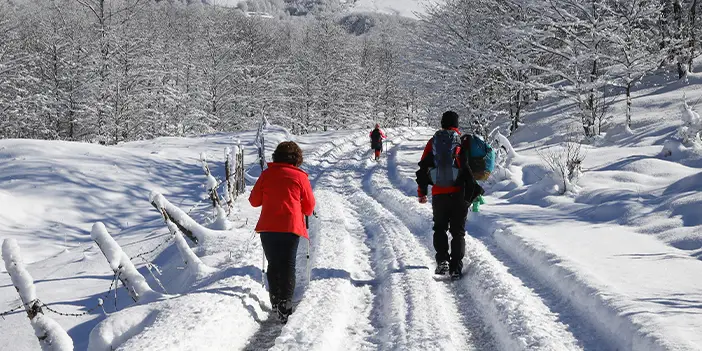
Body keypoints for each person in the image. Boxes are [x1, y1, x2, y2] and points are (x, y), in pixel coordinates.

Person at [249, 141, 315, 323]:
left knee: (273, 263)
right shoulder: (300, 177)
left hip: (268, 226)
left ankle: (275, 300)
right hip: (290, 226)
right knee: (288, 264)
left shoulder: (267, 174)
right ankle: (285, 303)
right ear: (297, 159)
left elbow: (254, 201)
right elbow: (309, 206)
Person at [415, 111, 483, 280]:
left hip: (439, 193)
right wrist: (474, 193)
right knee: (458, 232)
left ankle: (443, 261)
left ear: (442, 123)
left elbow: (423, 167)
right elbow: (472, 169)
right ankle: (456, 268)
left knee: (439, 228)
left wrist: (422, 192)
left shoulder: (434, 142)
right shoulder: (463, 141)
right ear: (457, 124)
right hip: (459, 193)